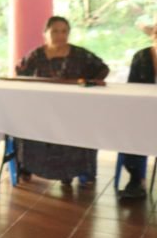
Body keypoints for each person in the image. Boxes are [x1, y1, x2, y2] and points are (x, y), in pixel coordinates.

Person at [15, 15, 109, 186]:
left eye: (64, 31)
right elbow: (21, 74)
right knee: (26, 123)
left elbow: (102, 69)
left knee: (84, 125)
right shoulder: (36, 55)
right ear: (45, 33)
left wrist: (87, 84)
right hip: (41, 110)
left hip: (73, 110)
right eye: (55, 31)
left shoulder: (80, 54)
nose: (60, 35)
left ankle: (80, 171)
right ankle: (29, 166)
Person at [117, 22, 157, 199]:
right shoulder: (141, 57)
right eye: (156, 32)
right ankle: (137, 180)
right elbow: (131, 89)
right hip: (145, 112)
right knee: (132, 130)